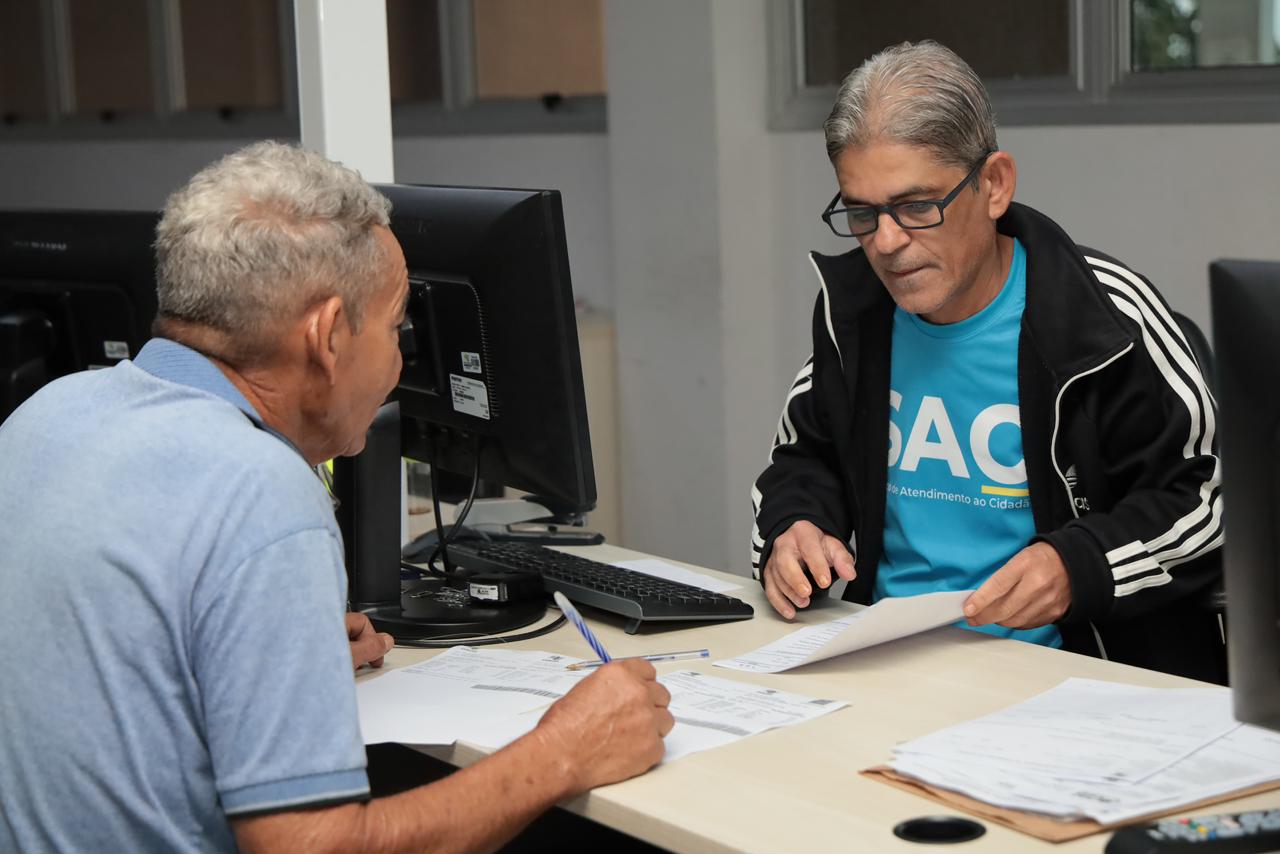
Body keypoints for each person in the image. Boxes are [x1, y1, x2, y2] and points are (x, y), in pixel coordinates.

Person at [0, 141, 673, 852]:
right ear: (325, 336)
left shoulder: (45, 415)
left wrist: (259, 661)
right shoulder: (259, 491)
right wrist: (562, 754)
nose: (399, 358)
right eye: (393, 327)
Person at [750, 41, 1224, 682]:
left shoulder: (1105, 319)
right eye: (863, 213)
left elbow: (1210, 497)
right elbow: (804, 458)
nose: (886, 244)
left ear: (994, 185)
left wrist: (1078, 567)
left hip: (1070, 677)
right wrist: (793, 527)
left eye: (918, 206)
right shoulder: (855, 316)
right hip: (885, 665)